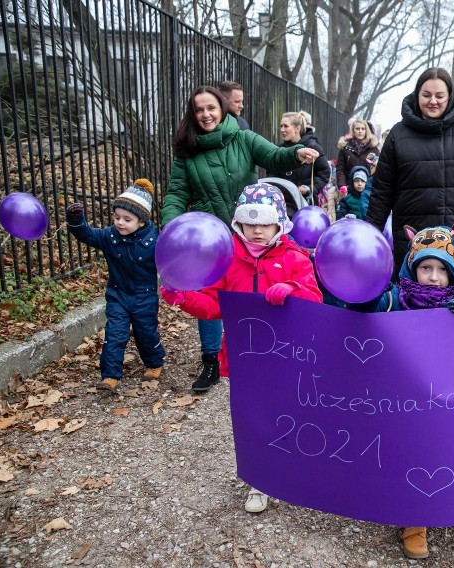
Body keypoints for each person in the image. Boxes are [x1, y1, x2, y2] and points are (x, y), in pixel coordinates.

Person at [160, 182, 323, 513]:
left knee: (285, 415)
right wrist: (184, 297)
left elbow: (314, 297)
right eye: (251, 223)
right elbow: (212, 303)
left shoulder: (294, 258)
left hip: (284, 357)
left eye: (265, 223)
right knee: (251, 420)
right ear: (239, 225)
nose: (258, 230)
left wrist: (290, 289)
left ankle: (288, 469)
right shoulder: (228, 260)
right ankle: (259, 481)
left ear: (280, 224)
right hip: (243, 358)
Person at [162, 86, 319, 394]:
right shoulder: (188, 151)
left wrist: (295, 153)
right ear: (193, 115)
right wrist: (171, 228)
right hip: (211, 237)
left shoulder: (243, 137)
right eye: (199, 110)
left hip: (253, 225)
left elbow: (273, 155)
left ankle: (278, 359)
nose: (206, 114)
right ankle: (212, 359)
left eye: (211, 108)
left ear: (222, 109)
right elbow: (177, 193)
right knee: (215, 293)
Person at [346, 221, 454, 559]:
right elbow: (361, 311)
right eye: (425, 267)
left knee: (426, 456)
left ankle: (416, 520)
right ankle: (389, 498)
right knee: (394, 450)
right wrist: (363, 288)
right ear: (411, 269)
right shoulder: (395, 298)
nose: (433, 276)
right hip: (395, 397)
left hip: (437, 401)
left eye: (441, 269)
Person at [365, 67, 454, 281]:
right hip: (410, 242)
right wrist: (369, 235)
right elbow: (382, 192)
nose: (432, 101)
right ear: (417, 96)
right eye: (426, 95)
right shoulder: (398, 134)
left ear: (449, 96)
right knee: (410, 308)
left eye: (439, 96)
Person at [66, 179, 165, 393]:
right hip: (118, 296)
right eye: (117, 217)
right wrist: (76, 220)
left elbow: (170, 262)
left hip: (144, 297)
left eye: (127, 219)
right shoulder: (110, 236)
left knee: (145, 332)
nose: (120, 223)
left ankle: (154, 361)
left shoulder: (155, 242)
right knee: (115, 334)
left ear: (141, 222)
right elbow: (87, 234)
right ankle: (110, 376)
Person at [268, 111, 331, 204]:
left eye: (286, 126)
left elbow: (324, 172)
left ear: (297, 128)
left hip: (306, 202)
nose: (282, 129)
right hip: (283, 202)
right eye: (281, 126)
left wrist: (309, 188)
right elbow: (271, 174)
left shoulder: (312, 147)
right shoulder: (279, 150)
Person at [335, 118, 380, 194]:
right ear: (353, 130)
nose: (360, 131)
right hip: (349, 189)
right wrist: (342, 185)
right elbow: (340, 169)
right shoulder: (345, 147)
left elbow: (377, 170)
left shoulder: (373, 148)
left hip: (368, 189)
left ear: (366, 131)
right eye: (357, 128)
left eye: (363, 129)